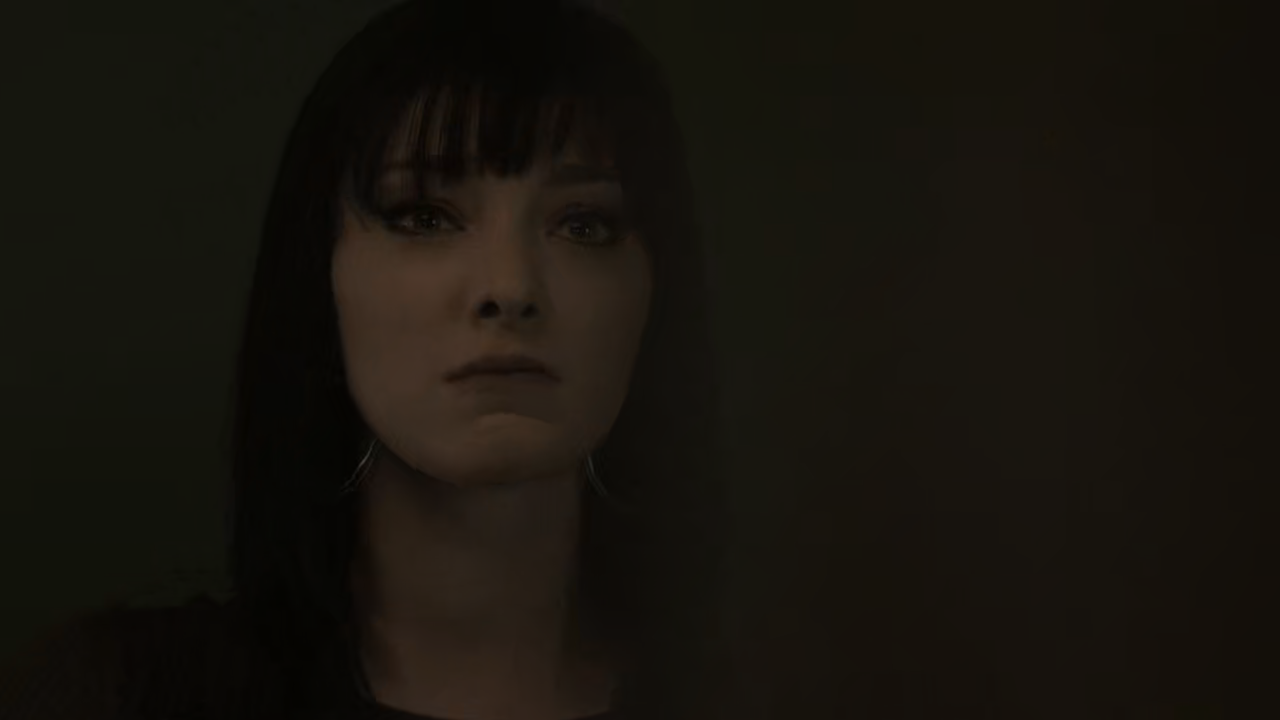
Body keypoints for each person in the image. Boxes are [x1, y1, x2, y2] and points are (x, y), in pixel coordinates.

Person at [0, 1, 725, 718]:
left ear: (656, 288)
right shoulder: (129, 697)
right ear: (320, 273)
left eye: (583, 223)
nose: (510, 288)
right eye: (425, 217)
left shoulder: (754, 689)